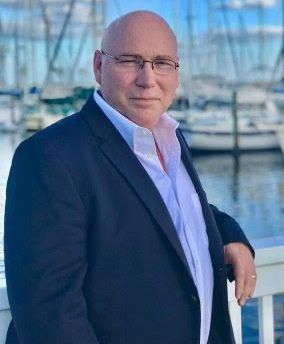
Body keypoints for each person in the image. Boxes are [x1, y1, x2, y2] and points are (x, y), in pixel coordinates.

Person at [5, 10, 256, 344]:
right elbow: (50, 313)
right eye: (130, 60)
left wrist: (229, 234)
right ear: (98, 67)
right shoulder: (49, 156)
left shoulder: (169, 137)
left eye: (162, 62)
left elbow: (168, 210)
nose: (148, 78)